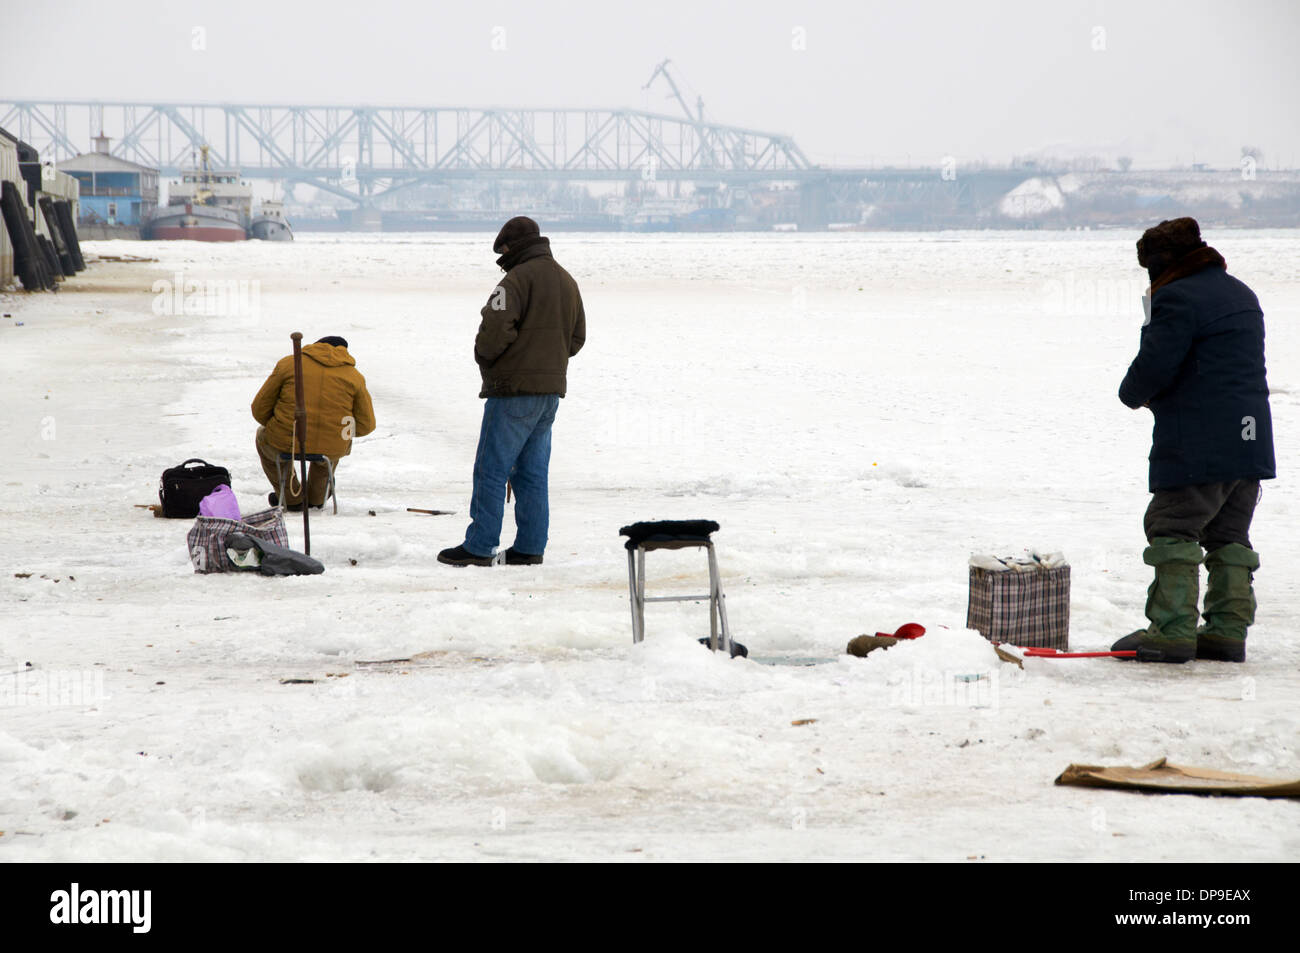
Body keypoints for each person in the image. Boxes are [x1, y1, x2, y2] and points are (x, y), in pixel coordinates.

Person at [1113, 218, 1274, 663]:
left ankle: (1172, 633)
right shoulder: (1241, 293)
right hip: (1250, 434)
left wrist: (1131, 393)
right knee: (1228, 534)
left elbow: (1157, 363)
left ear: (1161, 263)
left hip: (1199, 438)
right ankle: (1225, 632)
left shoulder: (1178, 296)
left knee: (1172, 526)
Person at [438, 216, 585, 567]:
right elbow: (577, 338)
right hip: (550, 393)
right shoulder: (567, 280)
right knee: (532, 473)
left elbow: (493, 333)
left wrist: (486, 358)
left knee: (491, 469)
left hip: (513, 391)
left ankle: (480, 546)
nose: (501, 256)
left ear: (512, 246)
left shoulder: (515, 280)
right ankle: (530, 548)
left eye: (502, 249)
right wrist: (547, 361)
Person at [251, 335, 376, 510]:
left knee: (263, 437)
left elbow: (259, 408)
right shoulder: (354, 377)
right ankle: (318, 497)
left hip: (287, 438)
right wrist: (338, 431)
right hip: (330, 445)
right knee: (334, 449)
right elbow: (366, 424)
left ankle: (291, 498)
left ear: (314, 346)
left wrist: (276, 424)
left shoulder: (289, 364)